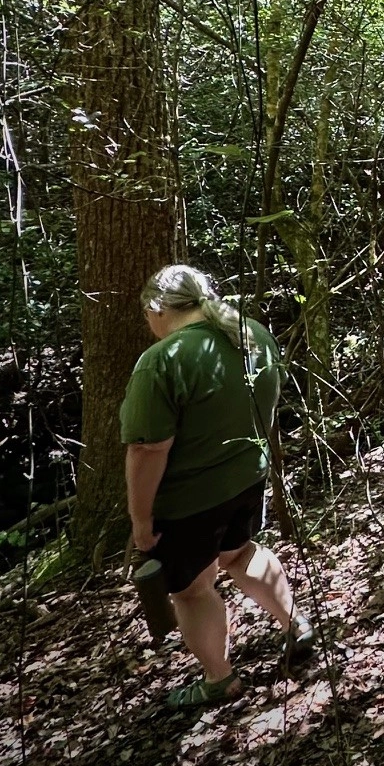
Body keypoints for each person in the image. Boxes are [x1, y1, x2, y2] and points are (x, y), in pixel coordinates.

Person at [121, 265, 314, 709]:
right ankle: (296, 623)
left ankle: (219, 679)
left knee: (191, 589)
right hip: (247, 477)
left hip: (189, 500)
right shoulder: (251, 333)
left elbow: (148, 449)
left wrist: (141, 521)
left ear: (157, 309)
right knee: (239, 553)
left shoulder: (162, 360)